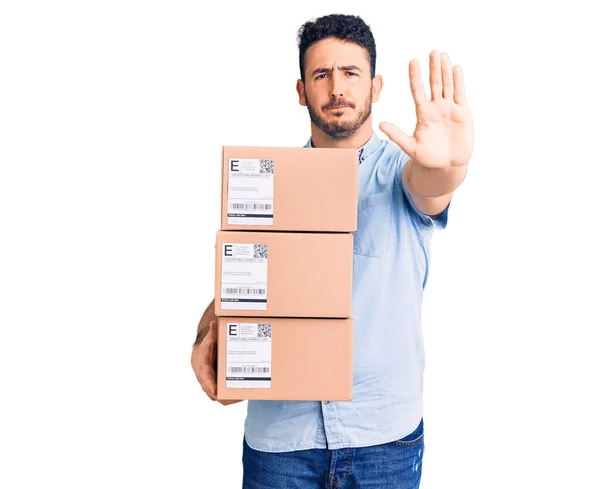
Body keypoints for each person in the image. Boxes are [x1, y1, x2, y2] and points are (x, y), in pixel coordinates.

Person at [191, 13, 474, 489]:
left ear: (376, 86)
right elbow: (248, 278)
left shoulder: (403, 171)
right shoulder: (268, 183)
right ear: (302, 90)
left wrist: (450, 166)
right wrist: (207, 333)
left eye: (351, 73)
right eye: (322, 75)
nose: (336, 87)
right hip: (282, 440)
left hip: (382, 439)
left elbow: (432, 186)